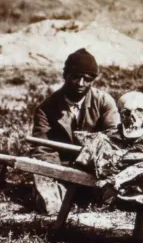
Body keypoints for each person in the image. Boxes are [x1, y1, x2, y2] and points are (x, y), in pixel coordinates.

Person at [30, 48, 121, 214]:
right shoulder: (46, 108)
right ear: (65, 75)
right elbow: (42, 149)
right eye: (75, 77)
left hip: (95, 168)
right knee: (50, 206)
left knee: (113, 200)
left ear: (94, 79)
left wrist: (91, 162)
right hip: (62, 169)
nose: (80, 83)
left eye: (87, 79)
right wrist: (62, 174)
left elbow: (114, 138)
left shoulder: (104, 102)